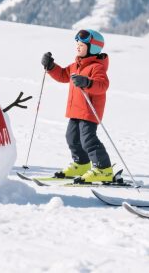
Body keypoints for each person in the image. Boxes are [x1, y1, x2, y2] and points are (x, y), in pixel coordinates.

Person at [41, 29, 114, 183]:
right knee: (72, 138)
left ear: (93, 48)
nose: (78, 47)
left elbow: (102, 85)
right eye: (77, 44)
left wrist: (87, 82)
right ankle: (82, 164)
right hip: (75, 110)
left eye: (82, 45)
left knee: (88, 139)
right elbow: (62, 75)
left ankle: (104, 169)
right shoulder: (76, 65)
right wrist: (51, 66)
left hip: (89, 110)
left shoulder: (97, 67)